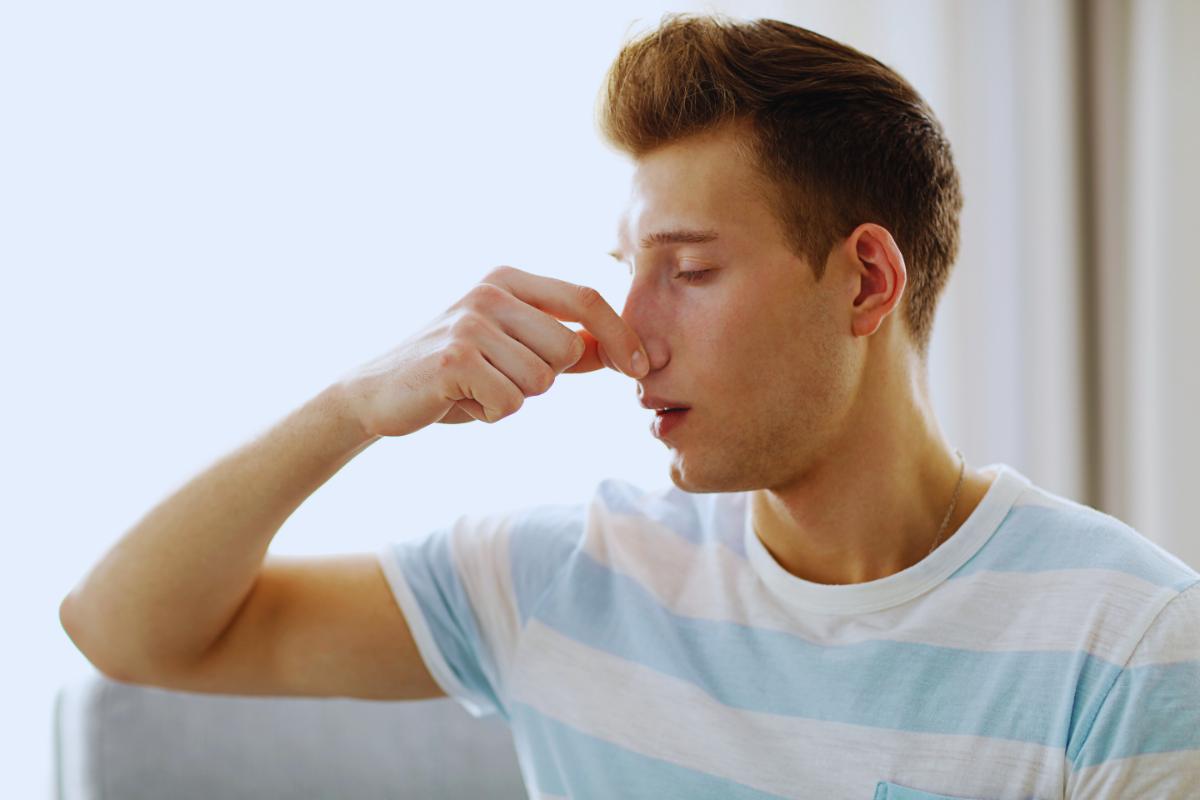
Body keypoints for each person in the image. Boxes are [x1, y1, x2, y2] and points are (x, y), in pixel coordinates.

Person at [60, 12, 1198, 799]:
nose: (627, 333)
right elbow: (123, 627)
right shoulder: (567, 580)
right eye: (626, 268)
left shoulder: (1132, 644)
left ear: (865, 281)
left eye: (689, 270)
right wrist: (354, 406)